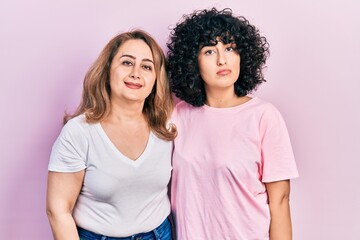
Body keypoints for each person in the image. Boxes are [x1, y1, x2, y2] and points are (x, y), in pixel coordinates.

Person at [167, 8, 299, 240]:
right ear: (192, 62)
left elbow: (279, 201)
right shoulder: (178, 115)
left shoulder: (264, 116)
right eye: (209, 51)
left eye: (229, 48)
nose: (222, 59)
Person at [46, 30, 177, 240]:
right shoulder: (79, 132)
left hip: (159, 235)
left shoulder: (167, 127)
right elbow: (58, 210)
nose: (136, 73)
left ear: (155, 79)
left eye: (146, 66)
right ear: (108, 71)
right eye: (127, 62)